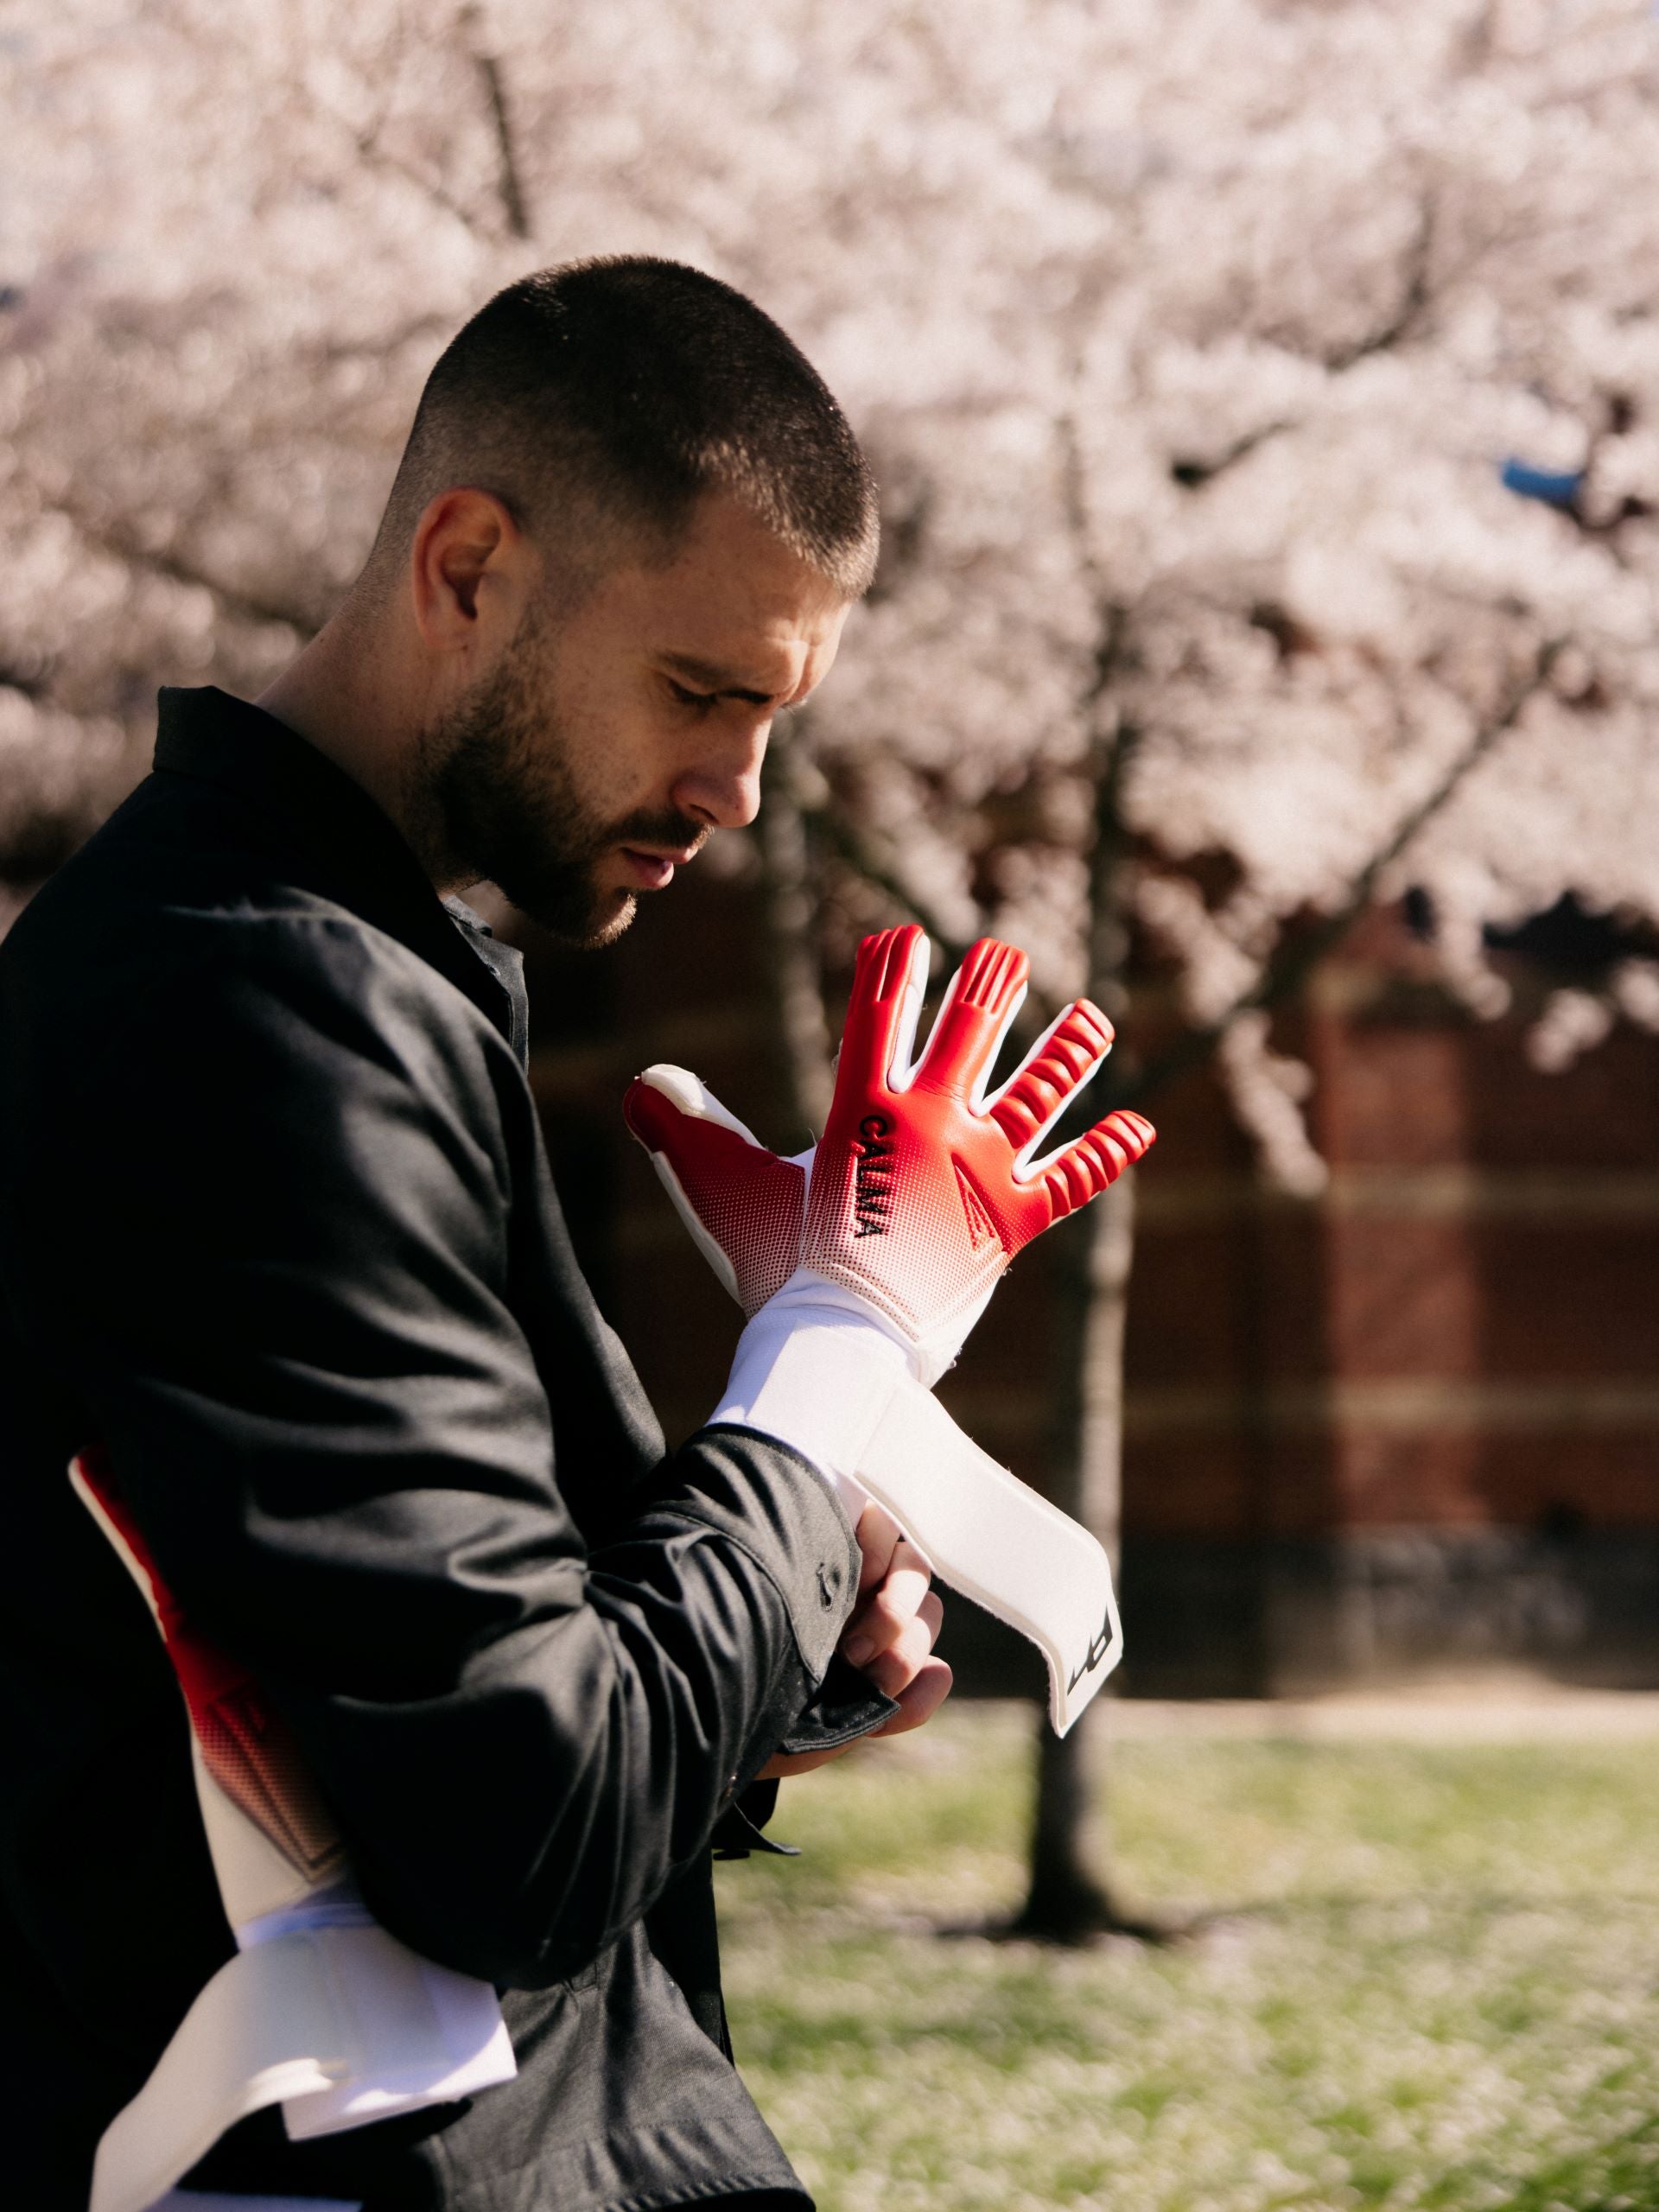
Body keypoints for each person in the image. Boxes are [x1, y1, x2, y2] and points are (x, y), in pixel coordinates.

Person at [0, 258, 952, 2212]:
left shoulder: (356, 976)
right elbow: (522, 1827)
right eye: (701, 693)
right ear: (466, 565)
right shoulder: (263, 1014)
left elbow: (428, 1683)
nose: (740, 792)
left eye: (775, 716)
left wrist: (775, 1630)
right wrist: (830, 1358)